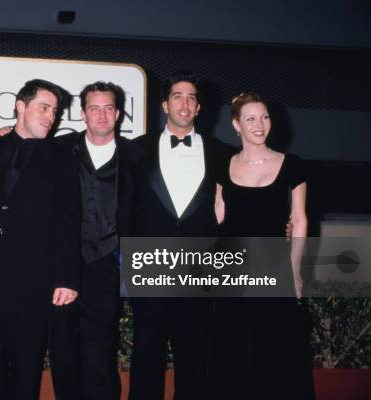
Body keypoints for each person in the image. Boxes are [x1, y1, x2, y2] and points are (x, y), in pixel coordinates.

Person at [0, 79, 81, 400]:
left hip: (34, 281)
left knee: (26, 367)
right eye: (43, 107)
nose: (50, 117)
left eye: (55, 111)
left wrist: (67, 278)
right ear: (20, 106)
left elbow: (69, 223)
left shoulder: (63, 160)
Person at [128, 73, 231, 400]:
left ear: (199, 107)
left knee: (195, 354)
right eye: (177, 96)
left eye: (190, 98)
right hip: (149, 265)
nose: (184, 103)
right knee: (147, 353)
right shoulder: (135, 150)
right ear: (164, 104)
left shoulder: (223, 154)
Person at [211, 92, 314, 400]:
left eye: (265, 117)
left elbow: (300, 220)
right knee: (231, 353)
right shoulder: (222, 165)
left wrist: (295, 272)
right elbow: (217, 216)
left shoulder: (292, 165)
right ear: (236, 125)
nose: (260, 124)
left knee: (276, 353)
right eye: (251, 118)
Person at [47, 81, 139, 400]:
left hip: (107, 265)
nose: (101, 115)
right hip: (63, 265)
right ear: (83, 113)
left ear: (118, 114)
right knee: (64, 351)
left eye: (108, 108)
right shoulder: (58, 148)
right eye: (94, 108)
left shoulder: (136, 155)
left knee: (100, 353)